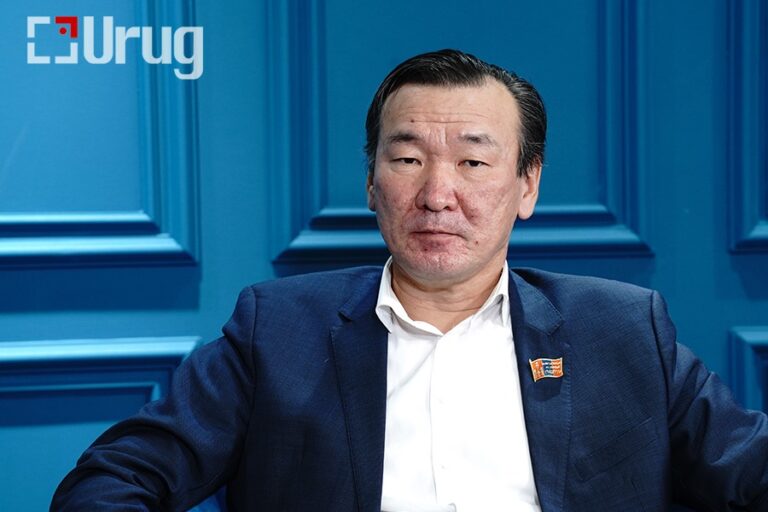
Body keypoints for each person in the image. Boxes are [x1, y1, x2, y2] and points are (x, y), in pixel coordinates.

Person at [52, 49, 768, 511]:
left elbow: (748, 467)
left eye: (474, 162)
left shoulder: (620, 328)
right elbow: (114, 480)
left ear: (527, 185)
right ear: (371, 182)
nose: (436, 195)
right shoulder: (279, 330)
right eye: (407, 160)